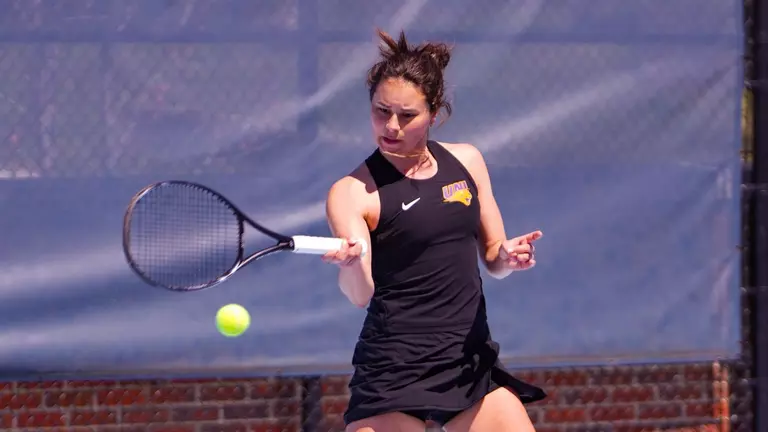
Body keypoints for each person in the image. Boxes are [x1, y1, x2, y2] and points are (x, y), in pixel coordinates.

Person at [322, 28, 547, 432]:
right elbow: (360, 294)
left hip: (468, 364)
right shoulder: (352, 193)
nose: (391, 126)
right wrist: (352, 263)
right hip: (393, 371)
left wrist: (507, 256)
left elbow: (493, 256)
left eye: (407, 115)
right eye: (380, 111)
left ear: (434, 114)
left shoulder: (468, 162)